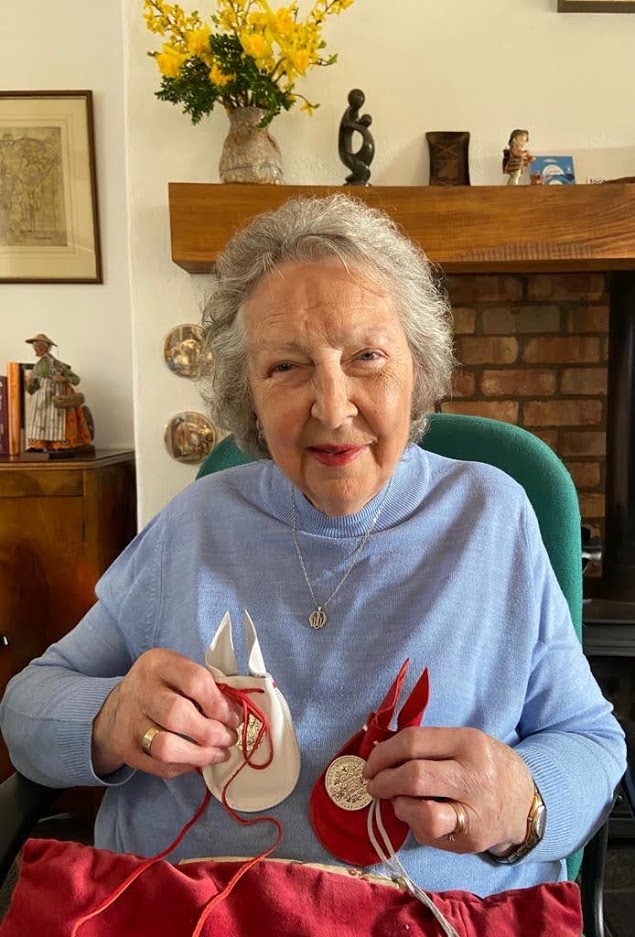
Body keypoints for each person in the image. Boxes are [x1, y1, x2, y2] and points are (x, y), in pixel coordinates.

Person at [0, 196, 625, 901]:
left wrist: (525, 800)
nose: (332, 407)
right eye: (286, 368)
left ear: (416, 369)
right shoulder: (197, 521)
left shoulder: (491, 516)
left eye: (366, 357)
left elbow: (591, 740)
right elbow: (24, 710)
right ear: (249, 399)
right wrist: (111, 718)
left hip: (429, 915)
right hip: (191, 909)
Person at [23, 333, 94, 453]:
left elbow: (76, 379)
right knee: (39, 421)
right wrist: (29, 384)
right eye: (35, 345)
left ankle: (60, 445)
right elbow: (32, 389)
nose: (36, 348)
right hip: (41, 400)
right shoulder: (36, 367)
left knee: (58, 420)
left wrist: (64, 379)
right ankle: (38, 445)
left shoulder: (59, 365)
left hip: (57, 397)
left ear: (47, 347)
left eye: (39, 345)